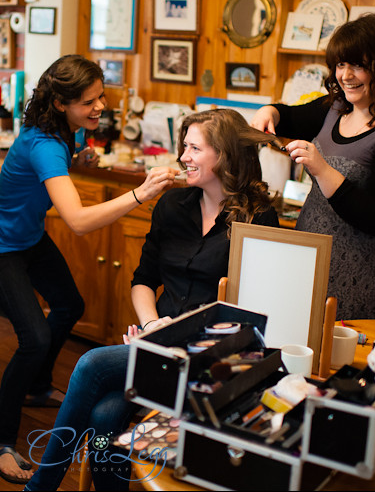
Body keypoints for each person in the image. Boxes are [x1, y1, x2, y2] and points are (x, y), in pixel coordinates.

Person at [24, 109, 280, 491]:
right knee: (105, 415)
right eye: (184, 147)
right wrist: (152, 326)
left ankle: (41, 486)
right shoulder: (171, 206)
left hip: (212, 357)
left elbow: (253, 311)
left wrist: (168, 338)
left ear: (224, 155)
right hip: (158, 344)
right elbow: (143, 281)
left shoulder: (258, 219)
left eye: (194, 148)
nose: (183, 158)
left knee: (92, 363)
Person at [0, 55, 177, 485]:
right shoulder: (45, 143)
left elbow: (53, 168)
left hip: (27, 239)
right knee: (34, 339)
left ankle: (37, 385)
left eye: (101, 96)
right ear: (62, 103)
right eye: (89, 101)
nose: (100, 106)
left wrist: (78, 153)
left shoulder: (61, 132)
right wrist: (141, 193)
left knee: (69, 305)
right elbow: (79, 222)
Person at [250, 13, 375, 320]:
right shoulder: (334, 108)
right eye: (341, 64)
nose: (346, 75)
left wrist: (322, 169)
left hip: (365, 273)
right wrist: (270, 112)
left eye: (358, 65)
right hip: (312, 261)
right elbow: (287, 115)